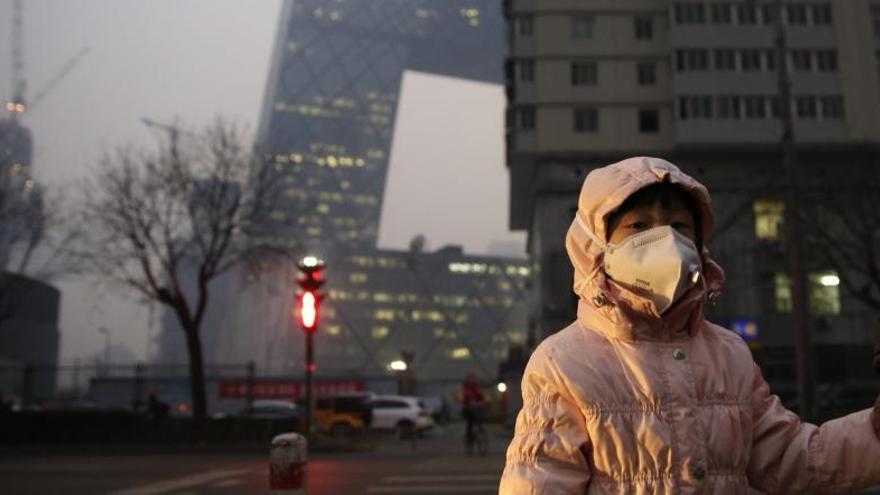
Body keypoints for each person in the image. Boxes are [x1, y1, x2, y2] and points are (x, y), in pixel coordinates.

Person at [500, 157, 880, 494]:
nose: (665, 239)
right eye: (638, 225)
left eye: (680, 226)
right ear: (597, 246)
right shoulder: (563, 363)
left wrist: (875, 429)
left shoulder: (729, 354)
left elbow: (797, 461)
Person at [461, 372, 485, 450]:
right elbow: (463, 398)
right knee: (470, 423)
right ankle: (469, 438)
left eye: (472, 378)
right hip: (468, 409)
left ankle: (480, 434)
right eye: (470, 378)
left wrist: (482, 402)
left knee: (479, 421)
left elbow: (482, 397)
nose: (471, 380)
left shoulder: (477, 388)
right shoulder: (465, 389)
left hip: (477, 409)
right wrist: (467, 404)